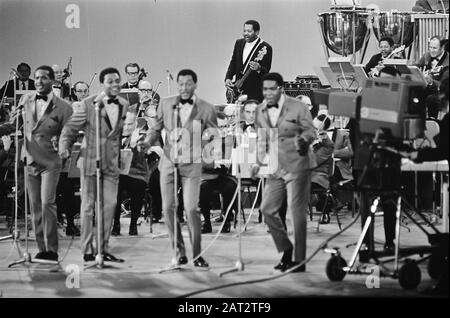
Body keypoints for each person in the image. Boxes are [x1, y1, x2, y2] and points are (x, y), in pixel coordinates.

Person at [143, 69, 217, 268]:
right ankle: (179, 251)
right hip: (168, 162)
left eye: (188, 84)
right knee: (168, 208)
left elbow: (213, 132)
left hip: (192, 164)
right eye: (181, 84)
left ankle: (198, 254)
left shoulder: (207, 108)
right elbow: (156, 128)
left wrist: (207, 143)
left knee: (191, 208)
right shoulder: (166, 104)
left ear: (195, 85)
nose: (184, 87)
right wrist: (147, 142)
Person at [0, 65, 73, 261]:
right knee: (35, 205)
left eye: (43, 78)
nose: (39, 81)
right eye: (37, 78)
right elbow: (14, 123)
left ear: (51, 81)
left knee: (47, 202)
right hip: (30, 159)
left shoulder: (64, 106)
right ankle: (42, 249)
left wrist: (63, 144)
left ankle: (52, 249)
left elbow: (70, 132)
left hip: (50, 160)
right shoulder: (26, 100)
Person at [59, 67, 129, 263]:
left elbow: (118, 134)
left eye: (117, 81)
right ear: (102, 84)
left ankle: (103, 248)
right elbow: (70, 129)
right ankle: (87, 249)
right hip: (90, 161)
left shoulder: (124, 103)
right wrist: (64, 146)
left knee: (110, 205)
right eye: (110, 81)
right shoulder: (88, 104)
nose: (115, 85)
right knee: (88, 206)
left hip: (112, 164)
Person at [252, 72, 315, 272]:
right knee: (267, 209)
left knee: (296, 214)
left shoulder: (298, 106)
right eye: (265, 89)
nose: (268, 93)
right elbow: (262, 140)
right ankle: (286, 249)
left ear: (281, 88)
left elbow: (311, 132)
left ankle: (299, 260)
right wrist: (257, 162)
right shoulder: (260, 110)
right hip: (276, 166)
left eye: (272, 89)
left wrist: (304, 140)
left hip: (298, 165)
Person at [112, 109, 151, 236]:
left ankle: (133, 224)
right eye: (124, 124)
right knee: (113, 187)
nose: (126, 127)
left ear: (135, 124)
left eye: (130, 124)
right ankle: (116, 224)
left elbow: (141, 160)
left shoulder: (141, 137)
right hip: (118, 174)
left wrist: (134, 146)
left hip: (136, 173)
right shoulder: (113, 136)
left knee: (138, 186)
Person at [200, 113, 236, 234]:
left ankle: (226, 220)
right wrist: (214, 163)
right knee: (203, 188)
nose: (223, 129)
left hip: (225, 176)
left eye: (225, 126)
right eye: (219, 127)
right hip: (207, 176)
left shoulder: (231, 139)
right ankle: (207, 222)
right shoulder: (203, 140)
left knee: (229, 187)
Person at [225, 20, 273, 102]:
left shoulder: (266, 47)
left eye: (249, 31)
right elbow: (233, 62)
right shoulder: (239, 43)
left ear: (257, 32)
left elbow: (266, 71)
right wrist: (228, 78)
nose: (245, 33)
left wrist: (259, 68)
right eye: (244, 31)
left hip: (255, 93)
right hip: (238, 91)